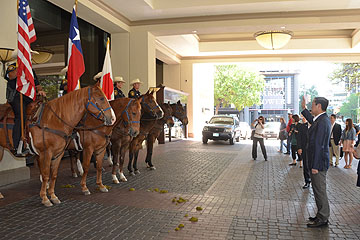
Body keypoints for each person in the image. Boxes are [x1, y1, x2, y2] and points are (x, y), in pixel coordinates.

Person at [301, 96, 331, 228]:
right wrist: (304, 108)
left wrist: (315, 166)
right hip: (316, 162)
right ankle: (320, 214)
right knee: (317, 189)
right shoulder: (320, 119)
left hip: (318, 164)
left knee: (320, 190)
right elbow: (312, 120)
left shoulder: (324, 121)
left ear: (319, 106)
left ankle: (323, 217)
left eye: (312, 105)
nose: (311, 107)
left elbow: (320, 145)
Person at [4, 63, 46, 156]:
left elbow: (37, 85)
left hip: (29, 97)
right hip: (16, 96)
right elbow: (9, 76)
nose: (30, 57)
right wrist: (21, 70)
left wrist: (40, 91)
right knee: (20, 116)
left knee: (41, 111)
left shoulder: (31, 70)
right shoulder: (15, 65)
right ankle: (17, 145)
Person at [297, 114, 311, 189]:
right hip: (305, 148)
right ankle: (307, 181)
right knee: (306, 164)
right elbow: (299, 138)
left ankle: (313, 180)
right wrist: (299, 147)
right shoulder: (302, 126)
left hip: (313, 149)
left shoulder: (316, 126)